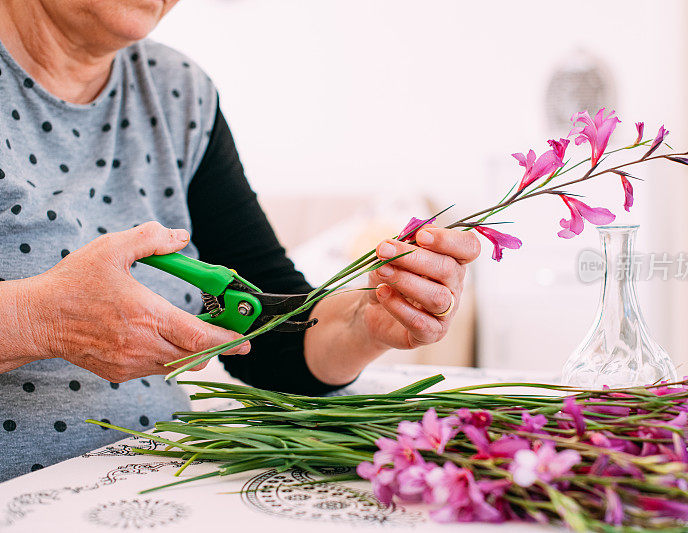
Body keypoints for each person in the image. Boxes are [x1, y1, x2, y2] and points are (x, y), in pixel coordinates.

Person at [0, 0, 481, 481]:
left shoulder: (178, 93)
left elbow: (266, 331)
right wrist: (40, 320)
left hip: (153, 486)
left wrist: (364, 320)